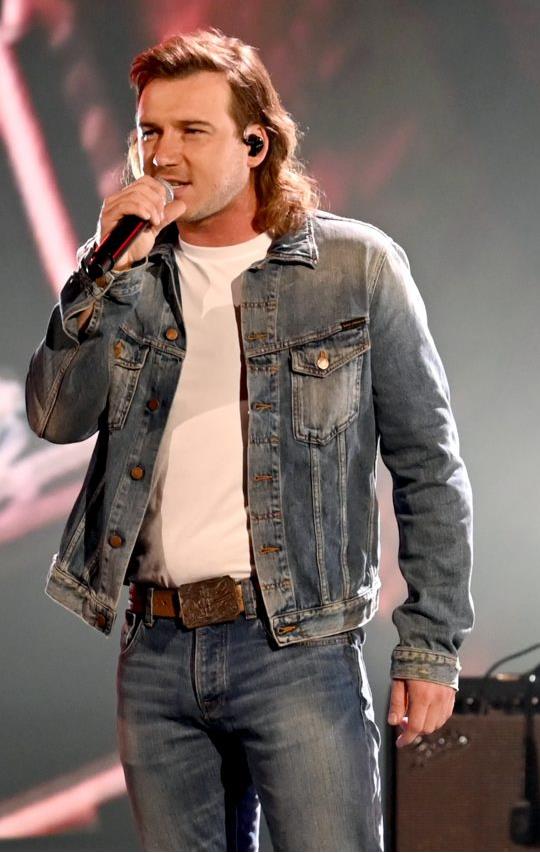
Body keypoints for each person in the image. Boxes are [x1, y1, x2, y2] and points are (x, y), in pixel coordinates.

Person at [25, 28, 473, 852]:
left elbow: (429, 466)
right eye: (150, 132)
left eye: (191, 131)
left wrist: (430, 645)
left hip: (295, 647)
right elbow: (55, 416)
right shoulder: (129, 277)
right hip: (155, 652)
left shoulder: (354, 268)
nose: (163, 155)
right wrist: (99, 276)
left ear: (255, 143)